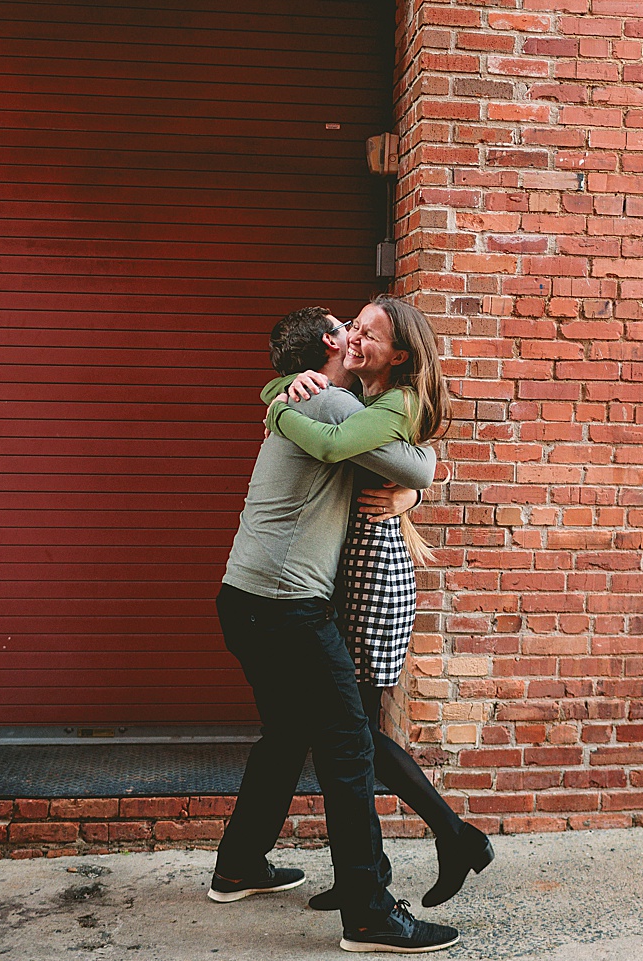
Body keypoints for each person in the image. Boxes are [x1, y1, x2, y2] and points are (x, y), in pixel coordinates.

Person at [209, 305, 460, 954]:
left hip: (243, 599)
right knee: (350, 747)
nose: (354, 330)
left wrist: (271, 395)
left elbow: (400, 472)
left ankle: (238, 865)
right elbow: (419, 467)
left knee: (287, 733)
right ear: (331, 342)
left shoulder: (309, 398)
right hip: (287, 608)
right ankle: (371, 914)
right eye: (345, 323)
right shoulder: (330, 406)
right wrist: (412, 487)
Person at [263, 295, 495, 910]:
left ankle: (452, 837)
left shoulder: (381, 406)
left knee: (355, 729)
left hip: (374, 573)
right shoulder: (357, 399)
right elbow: (407, 462)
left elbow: (411, 460)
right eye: (354, 328)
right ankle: (373, 867)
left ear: (398, 354)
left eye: (369, 333)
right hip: (351, 570)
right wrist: (278, 390)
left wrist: (277, 410)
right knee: (347, 728)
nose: (356, 337)